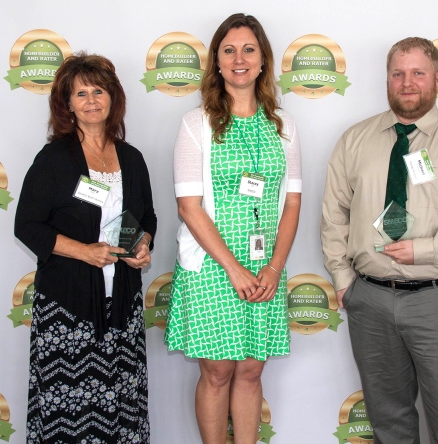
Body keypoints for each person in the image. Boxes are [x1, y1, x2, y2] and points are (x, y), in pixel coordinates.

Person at [321, 37, 438, 444]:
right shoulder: (355, 139)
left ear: (436, 79)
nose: (407, 83)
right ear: (387, 79)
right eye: (398, 73)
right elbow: (334, 214)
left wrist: (426, 249)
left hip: (437, 300)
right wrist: (343, 281)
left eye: (418, 73)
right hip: (370, 301)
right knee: (389, 423)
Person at [164, 13, 301, 444]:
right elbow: (189, 207)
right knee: (220, 370)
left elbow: (292, 202)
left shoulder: (284, 125)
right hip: (212, 267)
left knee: (251, 368)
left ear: (263, 61)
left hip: (265, 269)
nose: (239, 59)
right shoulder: (196, 123)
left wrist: (274, 269)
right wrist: (234, 269)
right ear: (217, 62)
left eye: (248, 49)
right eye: (229, 50)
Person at [15, 52, 156, 443]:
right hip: (68, 309)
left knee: (122, 411)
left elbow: (148, 220)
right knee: (70, 415)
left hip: (123, 309)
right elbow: (26, 226)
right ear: (67, 104)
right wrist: (84, 251)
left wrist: (143, 246)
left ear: (113, 98)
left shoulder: (132, 158)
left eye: (99, 90)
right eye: (81, 93)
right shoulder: (54, 160)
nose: (92, 100)